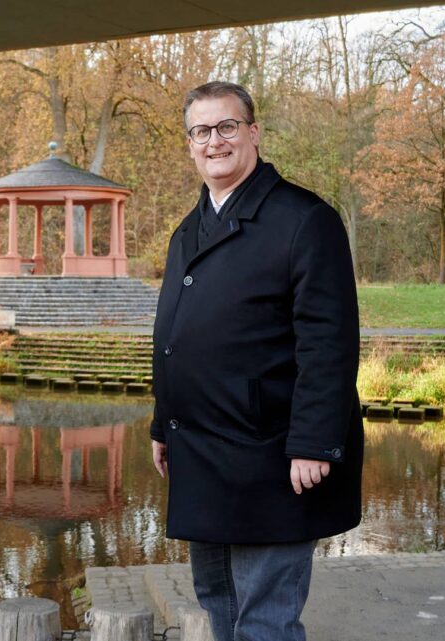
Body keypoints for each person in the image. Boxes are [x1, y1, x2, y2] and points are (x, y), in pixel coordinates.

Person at [150, 81, 364, 641]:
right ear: (190, 143)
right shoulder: (188, 230)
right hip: (200, 448)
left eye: (226, 127)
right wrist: (161, 422)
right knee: (219, 603)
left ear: (253, 133)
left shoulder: (304, 219)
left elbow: (330, 341)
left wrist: (316, 441)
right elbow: (175, 336)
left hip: (273, 452)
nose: (213, 141)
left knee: (264, 616)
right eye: (201, 131)